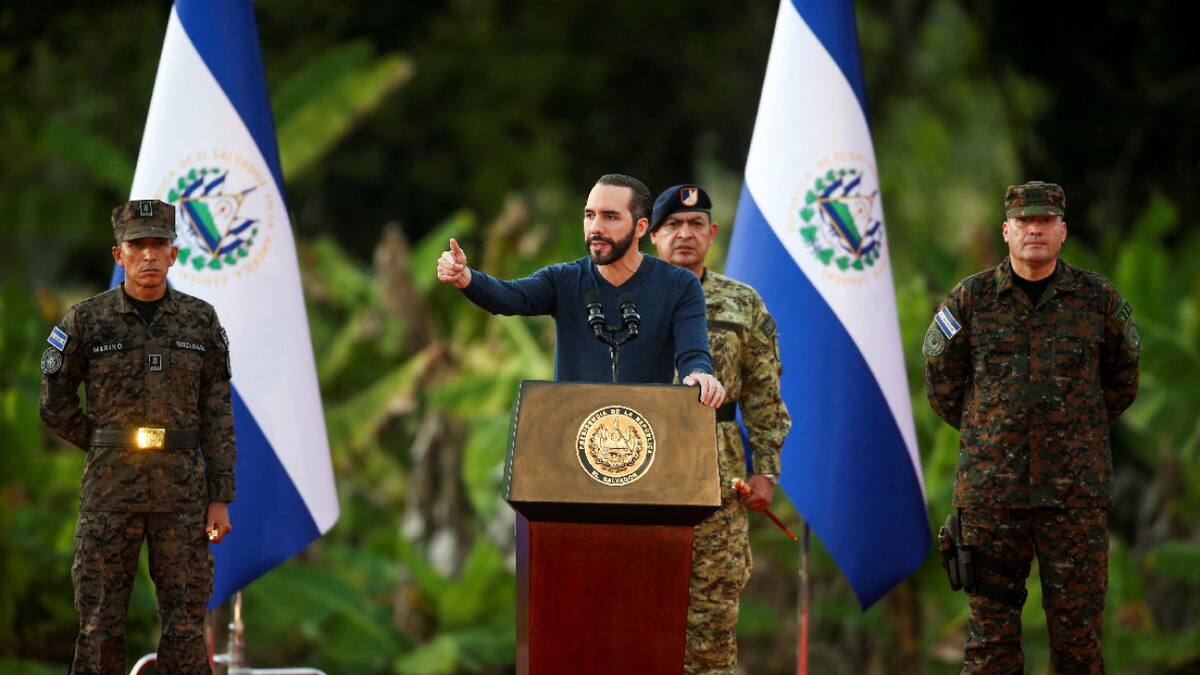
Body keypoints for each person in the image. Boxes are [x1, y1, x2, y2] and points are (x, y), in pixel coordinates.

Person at [924, 181, 1140, 673]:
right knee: (989, 646)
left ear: (1062, 231)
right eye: (1024, 222)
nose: (1034, 230)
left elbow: (1122, 380)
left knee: (1079, 642)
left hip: (1075, 497)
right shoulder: (971, 300)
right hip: (992, 495)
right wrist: (991, 429)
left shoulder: (1097, 299)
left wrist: (1072, 430)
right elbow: (942, 385)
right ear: (1006, 231)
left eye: (1045, 221)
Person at [40, 199, 236, 675]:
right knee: (99, 623)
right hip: (111, 491)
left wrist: (220, 498)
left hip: (183, 492)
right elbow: (54, 401)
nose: (148, 255)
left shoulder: (200, 321)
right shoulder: (85, 321)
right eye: (137, 245)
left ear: (173, 254)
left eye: (158, 245)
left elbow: (217, 412)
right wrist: (105, 442)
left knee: (186, 625)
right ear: (118, 254)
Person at [648, 183, 791, 674]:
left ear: (711, 234)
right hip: (637, 473)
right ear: (651, 236)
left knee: (711, 617)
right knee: (636, 613)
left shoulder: (742, 303)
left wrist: (765, 472)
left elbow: (764, 393)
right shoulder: (624, 297)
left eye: (694, 225)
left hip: (718, 474)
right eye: (672, 226)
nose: (684, 234)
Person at [436, 173, 725, 406]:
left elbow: (693, 354)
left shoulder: (679, 285)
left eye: (610, 217)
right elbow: (511, 297)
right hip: (572, 439)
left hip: (646, 441)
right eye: (590, 215)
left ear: (640, 228)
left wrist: (700, 376)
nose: (596, 227)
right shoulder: (563, 279)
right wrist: (467, 277)